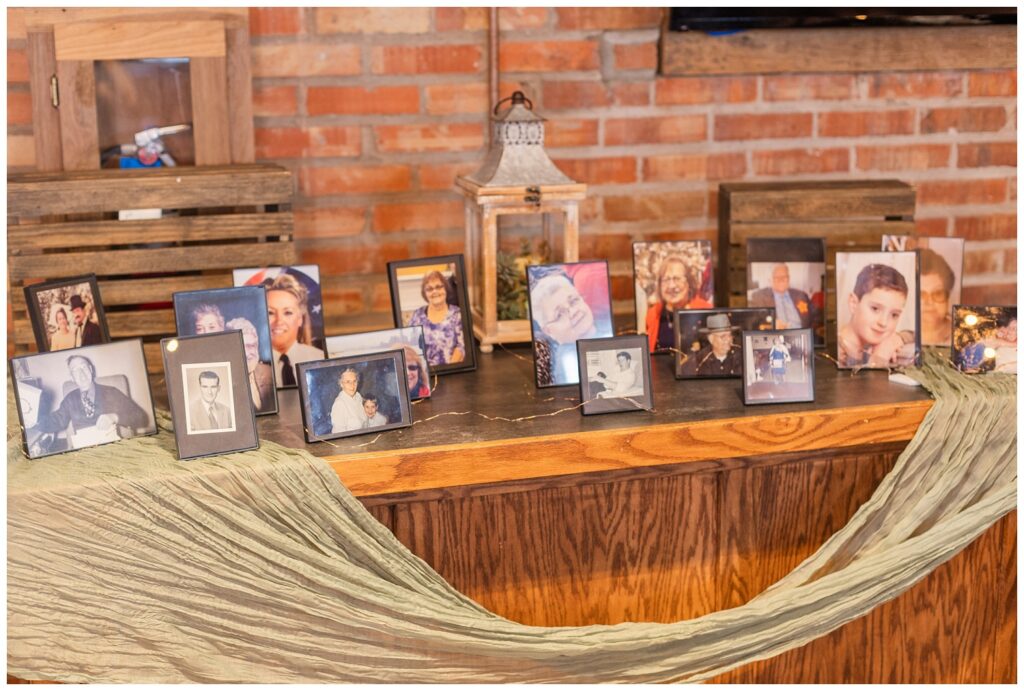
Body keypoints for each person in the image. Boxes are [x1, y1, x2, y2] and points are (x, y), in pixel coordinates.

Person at [33, 354, 150, 450]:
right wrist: (33, 421)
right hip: (84, 451)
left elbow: (142, 418)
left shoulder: (111, 392)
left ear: (90, 369)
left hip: (112, 449)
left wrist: (115, 417)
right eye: (75, 371)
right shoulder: (70, 399)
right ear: (72, 377)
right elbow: (56, 420)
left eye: (83, 368)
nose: (81, 374)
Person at [530, 266, 610, 385]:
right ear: (549, 331)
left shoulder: (606, 330)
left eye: (573, 301)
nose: (573, 312)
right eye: (559, 314)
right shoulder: (568, 362)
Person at [837, 263, 917, 368]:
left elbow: (916, 335)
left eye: (894, 315)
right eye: (875, 309)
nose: (883, 323)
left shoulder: (873, 343)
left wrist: (895, 340)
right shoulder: (837, 353)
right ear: (853, 303)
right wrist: (878, 359)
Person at [264, 273, 324, 387]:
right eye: (270, 312)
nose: (279, 321)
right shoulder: (252, 367)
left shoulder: (319, 359)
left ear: (300, 318)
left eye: (288, 312)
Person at [645, 256, 712, 352]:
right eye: (666, 280)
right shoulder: (652, 315)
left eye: (677, 279)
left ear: (689, 282)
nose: (671, 286)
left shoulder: (704, 311)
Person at [408, 270, 466, 367]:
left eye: (439, 287)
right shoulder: (417, 315)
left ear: (445, 289)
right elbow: (411, 347)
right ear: (425, 293)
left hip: (452, 370)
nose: (435, 291)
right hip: (425, 372)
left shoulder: (457, 314)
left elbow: (461, 347)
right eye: (429, 289)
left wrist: (448, 370)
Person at [226, 317, 275, 414]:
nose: (249, 353)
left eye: (252, 346)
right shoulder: (224, 383)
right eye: (244, 347)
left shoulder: (268, 372)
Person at [749, 263, 813, 330]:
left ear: (789, 278)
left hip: (802, 335)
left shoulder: (801, 295)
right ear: (769, 280)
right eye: (777, 277)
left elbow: (813, 318)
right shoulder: (759, 297)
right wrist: (772, 324)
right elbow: (752, 322)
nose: (781, 280)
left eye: (784, 277)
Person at [918, 248, 956, 346]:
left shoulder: (962, 334)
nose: (929, 302)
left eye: (938, 293)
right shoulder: (894, 338)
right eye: (921, 295)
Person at [330, 368, 365, 433]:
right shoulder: (339, 404)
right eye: (348, 382)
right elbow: (339, 435)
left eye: (354, 381)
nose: (352, 385)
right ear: (341, 384)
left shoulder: (358, 396)